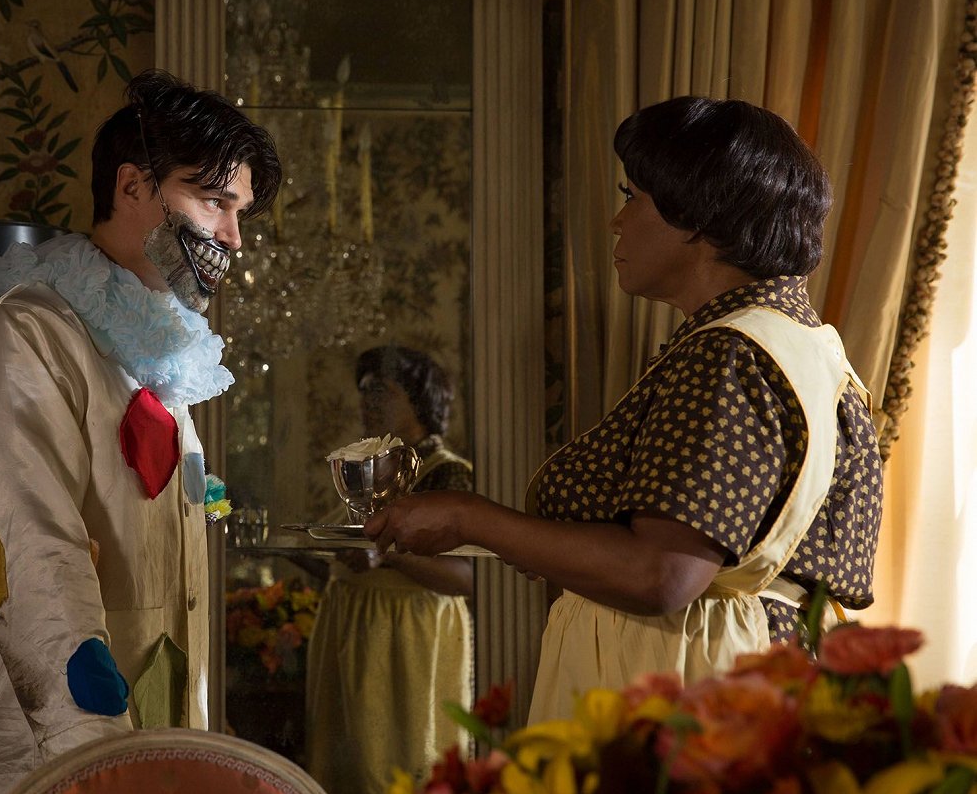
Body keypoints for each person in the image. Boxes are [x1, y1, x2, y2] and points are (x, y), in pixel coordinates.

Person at [365, 96, 882, 724]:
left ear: (696, 215)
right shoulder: (804, 347)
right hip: (747, 672)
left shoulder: (728, 354)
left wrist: (469, 516)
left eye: (633, 197)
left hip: (683, 686)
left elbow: (661, 574)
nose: (616, 222)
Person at [0, 70, 281, 794]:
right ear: (132, 187)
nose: (234, 237)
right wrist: (96, 766)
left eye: (241, 212)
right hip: (62, 778)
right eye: (215, 201)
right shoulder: (21, 340)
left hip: (164, 765)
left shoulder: (160, 362)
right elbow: (26, 559)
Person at [303, 345, 474, 794]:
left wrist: (388, 557)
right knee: (347, 786)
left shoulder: (446, 472)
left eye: (381, 389)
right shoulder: (366, 473)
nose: (367, 401)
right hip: (353, 635)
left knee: (403, 780)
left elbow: (467, 577)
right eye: (363, 391)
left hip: (409, 643)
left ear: (419, 397)